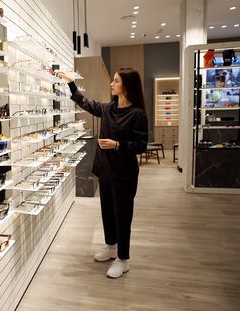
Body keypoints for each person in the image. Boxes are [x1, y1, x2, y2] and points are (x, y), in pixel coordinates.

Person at [57, 68, 148, 278]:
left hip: (124, 173)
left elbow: (141, 145)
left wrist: (117, 145)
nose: (111, 84)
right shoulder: (109, 109)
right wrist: (71, 83)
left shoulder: (137, 114)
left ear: (127, 85)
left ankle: (123, 259)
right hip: (105, 170)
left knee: (123, 216)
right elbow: (86, 103)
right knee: (107, 211)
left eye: (115, 81)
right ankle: (111, 246)